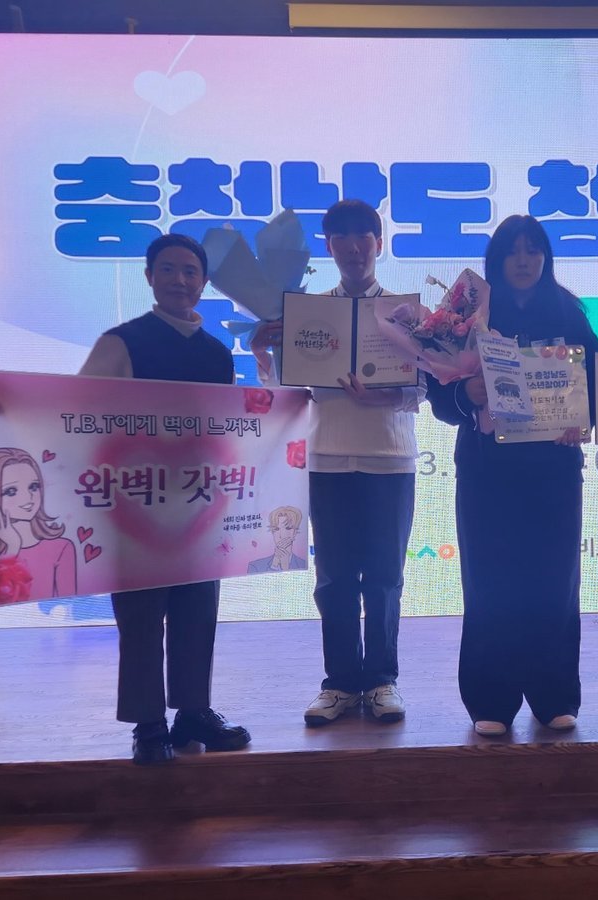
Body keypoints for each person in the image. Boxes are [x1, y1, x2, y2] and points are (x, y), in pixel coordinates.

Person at [0, 233, 251, 764]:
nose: (180, 280)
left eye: (190, 271)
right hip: (133, 504)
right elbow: (70, 408)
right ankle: (149, 723)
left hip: (198, 504)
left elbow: (230, 427)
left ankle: (194, 711)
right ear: (149, 277)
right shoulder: (122, 342)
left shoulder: (216, 353)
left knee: (197, 611)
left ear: (203, 283)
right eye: (168, 269)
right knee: (141, 616)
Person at [426, 214, 598, 737]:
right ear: (496, 260)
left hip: (553, 471)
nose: (524, 261)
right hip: (488, 472)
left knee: (555, 581)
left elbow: (596, 384)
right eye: (512, 251)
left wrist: (582, 420)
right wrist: (466, 393)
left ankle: (553, 695)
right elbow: (438, 396)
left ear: (546, 257)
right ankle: (491, 699)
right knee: (489, 581)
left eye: (533, 250)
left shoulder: (569, 312)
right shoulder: (466, 315)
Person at [251, 199, 422, 727]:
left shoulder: (405, 314)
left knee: (385, 578)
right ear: (329, 247)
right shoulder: (307, 314)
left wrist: (385, 397)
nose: (352, 247)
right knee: (334, 580)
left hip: (390, 459)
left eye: (362, 236)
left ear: (379, 243)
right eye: (340, 238)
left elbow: (423, 388)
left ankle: (383, 680)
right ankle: (341, 683)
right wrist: (263, 355)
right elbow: (288, 392)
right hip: (326, 459)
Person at [0, 446, 78, 602]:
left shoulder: (61, 547)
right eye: (11, 491)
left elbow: (70, 605)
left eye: (34, 487)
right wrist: (12, 550)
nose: (28, 497)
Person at [246, 506, 308, 574]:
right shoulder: (255, 566)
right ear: (273, 532)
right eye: (276, 529)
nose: (281, 535)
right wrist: (274, 565)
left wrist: (285, 568)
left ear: (295, 532)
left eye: (288, 528)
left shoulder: (304, 564)